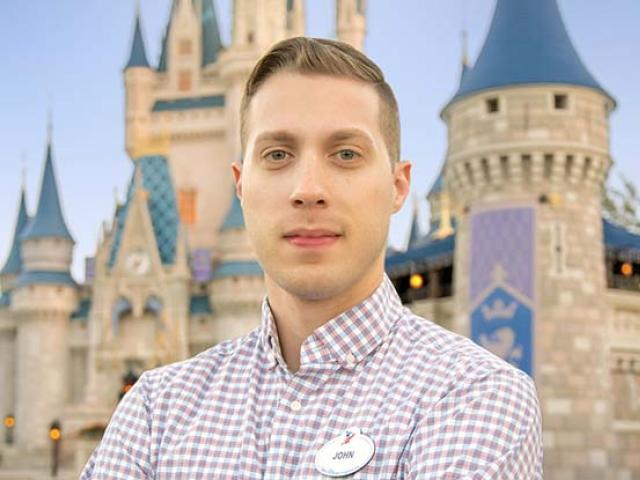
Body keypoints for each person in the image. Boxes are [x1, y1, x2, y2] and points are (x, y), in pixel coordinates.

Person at [81, 37, 542, 479]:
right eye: (278, 154)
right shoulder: (155, 410)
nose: (308, 190)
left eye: (345, 154)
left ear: (398, 186)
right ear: (241, 186)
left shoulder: (474, 396)